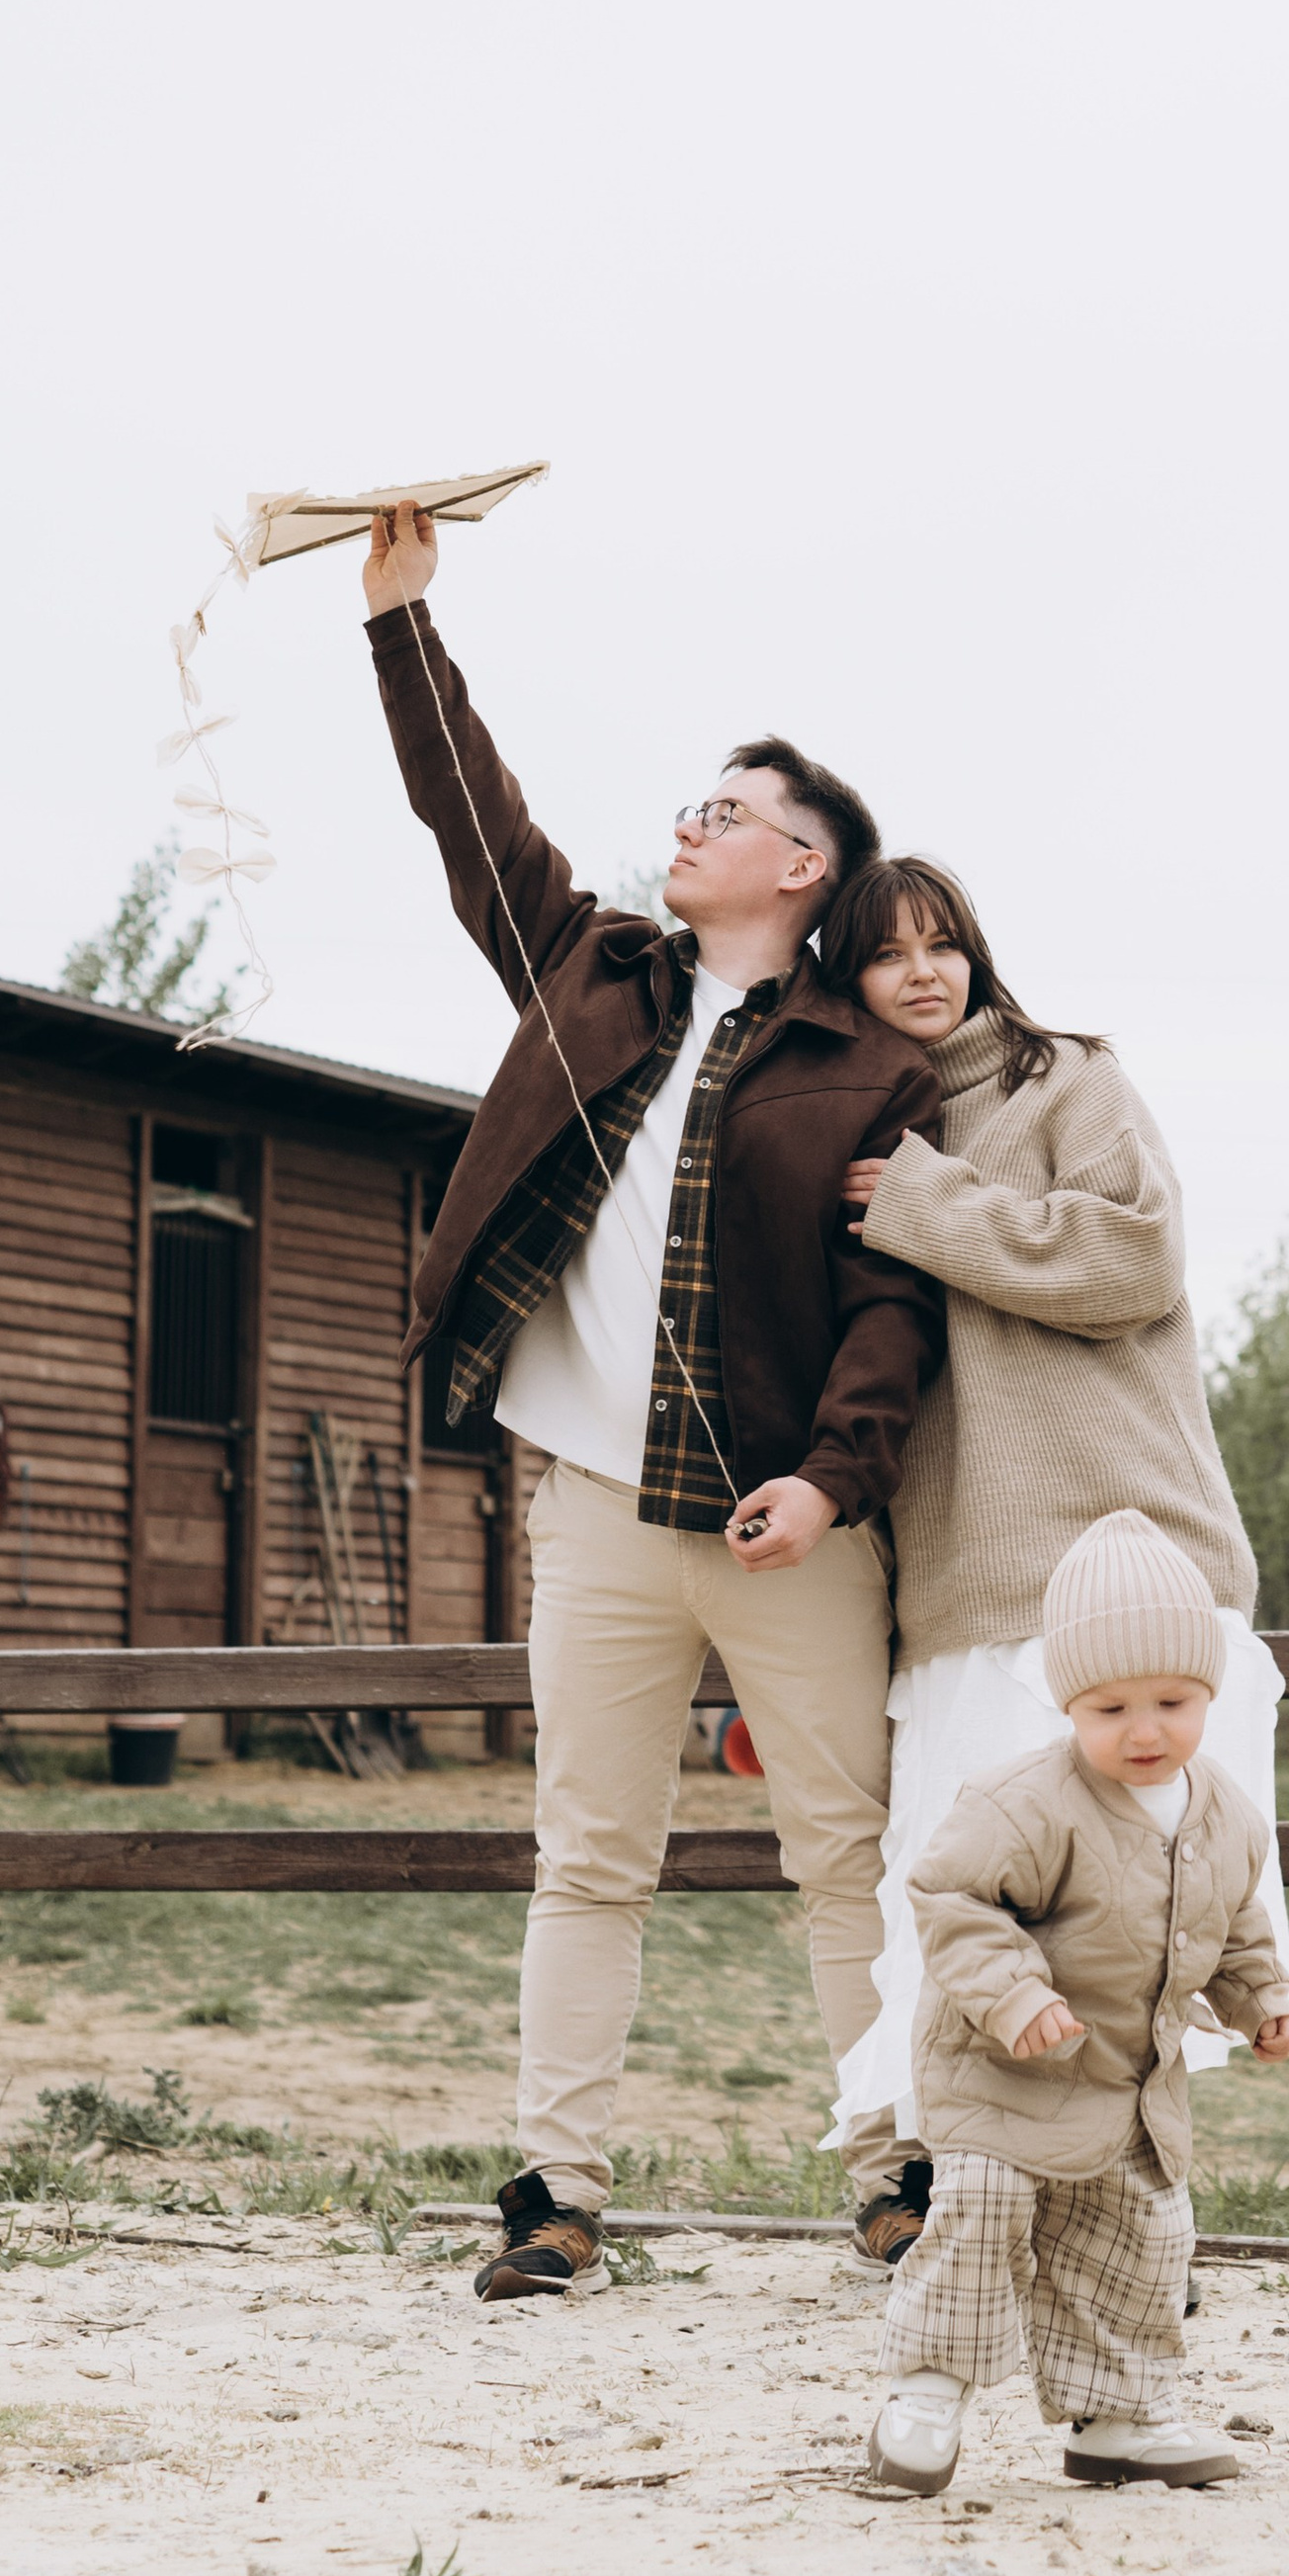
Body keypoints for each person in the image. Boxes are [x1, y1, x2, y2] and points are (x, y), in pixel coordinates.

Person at [359, 500, 945, 2299]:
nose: (687, 823)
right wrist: (401, 624)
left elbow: (893, 1302)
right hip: (594, 1513)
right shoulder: (589, 966)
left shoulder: (871, 1064)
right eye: (692, 801)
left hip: (786, 1528)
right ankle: (555, 2194)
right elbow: (475, 821)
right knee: (586, 1856)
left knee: (844, 1854)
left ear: (802, 870)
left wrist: (837, 1483)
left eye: (729, 810)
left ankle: (898, 2171)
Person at [810, 857, 1289, 2255]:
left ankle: (1134, 2224)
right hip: (962, 1572)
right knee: (965, 1903)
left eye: (943, 942)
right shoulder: (849, 1119)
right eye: (885, 954)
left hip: (1130, 1539)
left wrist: (920, 1202)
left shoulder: (1066, 1080)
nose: (922, 973)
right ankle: (950, 2199)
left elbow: (1134, 1261)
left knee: (1143, 1915)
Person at [865, 1511, 1289, 2496]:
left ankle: (1116, 2416)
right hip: (999, 2065)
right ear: (1068, 1701)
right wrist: (1013, 1991)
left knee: (1136, 2240)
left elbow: (1231, 1923)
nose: (1144, 1729)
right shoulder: (1025, 1800)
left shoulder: (1224, 1811)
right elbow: (950, 1894)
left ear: (1208, 1690)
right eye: (1109, 1708)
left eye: (1171, 1701)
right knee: (980, 2214)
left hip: (1125, 2083)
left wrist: (1260, 1997)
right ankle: (927, 2388)